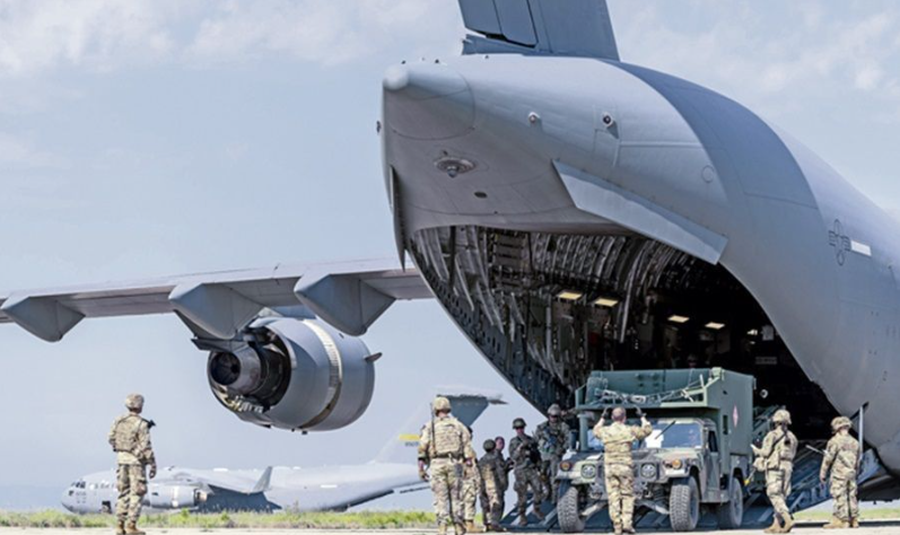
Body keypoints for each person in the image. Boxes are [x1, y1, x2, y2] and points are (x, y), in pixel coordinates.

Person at [418, 396, 476, 535]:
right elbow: (467, 448)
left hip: (437, 464)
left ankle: (442, 527)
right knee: (456, 496)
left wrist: (421, 469)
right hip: (455, 463)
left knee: (440, 497)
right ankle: (458, 526)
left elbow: (422, 448)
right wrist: (468, 467)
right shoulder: (459, 426)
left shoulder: (430, 426)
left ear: (436, 409)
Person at [593, 407, 652, 535]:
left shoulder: (606, 431)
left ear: (612, 418)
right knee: (627, 496)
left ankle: (617, 527)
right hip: (625, 468)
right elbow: (647, 431)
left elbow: (595, 431)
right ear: (624, 418)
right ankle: (627, 525)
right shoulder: (629, 430)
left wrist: (602, 418)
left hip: (610, 468)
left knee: (613, 498)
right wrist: (642, 417)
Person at [108, 394, 157, 535]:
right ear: (140, 406)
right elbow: (146, 446)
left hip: (121, 460)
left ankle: (119, 525)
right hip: (136, 463)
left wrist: (121, 450)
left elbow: (111, 438)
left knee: (123, 492)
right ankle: (131, 525)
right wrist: (152, 463)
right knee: (137, 492)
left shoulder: (119, 421)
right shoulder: (141, 424)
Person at [752, 409, 798, 534]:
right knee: (781, 495)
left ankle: (787, 519)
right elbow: (793, 453)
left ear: (776, 421)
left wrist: (755, 450)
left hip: (775, 467)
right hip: (788, 467)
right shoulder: (793, 437)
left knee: (773, 494)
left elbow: (765, 453)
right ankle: (776, 524)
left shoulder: (772, 435)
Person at [819, 416, 860, 529]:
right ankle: (854, 520)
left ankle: (843, 521)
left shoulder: (834, 441)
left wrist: (822, 473)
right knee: (852, 495)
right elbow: (858, 460)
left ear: (837, 427)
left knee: (839, 495)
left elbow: (828, 459)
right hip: (851, 472)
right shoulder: (855, 442)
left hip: (839, 473)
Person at [508, 418, 545, 526]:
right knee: (522, 495)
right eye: (517, 428)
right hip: (521, 471)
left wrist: (540, 467)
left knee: (539, 490)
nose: (520, 430)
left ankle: (536, 508)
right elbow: (513, 457)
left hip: (532, 469)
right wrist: (520, 447)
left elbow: (537, 455)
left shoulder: (530, 440)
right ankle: (522, 516)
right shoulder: (513, 442)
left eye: (521, 428)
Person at [535, 403, 570, 504]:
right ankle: (548, 492)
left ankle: (555, 497)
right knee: (542, 475)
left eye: (555, 416)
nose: (553, 418)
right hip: (544, 454)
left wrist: (562, 448)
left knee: (555, 476)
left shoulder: (563, 426)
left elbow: (568, 439)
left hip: (556, 454)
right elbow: (536, 439)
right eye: (551, 416)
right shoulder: (542, 427)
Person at [478, 439, 507, 532]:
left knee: (485, 504)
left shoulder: (482, 460)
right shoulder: (496, 458)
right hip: (493, 484)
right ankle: (494, 523)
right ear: (494, 447)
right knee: (496, 504)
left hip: (483, 484)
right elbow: (500, 472)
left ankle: (487, 523)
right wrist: (503, 484)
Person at [462, 427, 484, 533]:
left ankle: (464, 524)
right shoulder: (466, 449)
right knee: (469, 501)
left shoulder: (465, 449)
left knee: (466, 501)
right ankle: (469, 524)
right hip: (467, 479)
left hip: (468, 479)